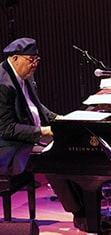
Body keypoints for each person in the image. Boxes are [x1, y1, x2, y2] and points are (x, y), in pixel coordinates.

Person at [0, 37, 59, 176]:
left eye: (37, 60)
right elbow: (6, 129)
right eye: (31, 60)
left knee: (69, 148)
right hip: (9, 146)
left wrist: (58, 118)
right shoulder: (3, 85)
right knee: (58, 160)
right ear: (15, 58)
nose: (35, 64)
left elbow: (34, 104)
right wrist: (43, 131)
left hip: (29, 136)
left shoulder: (25, 74)